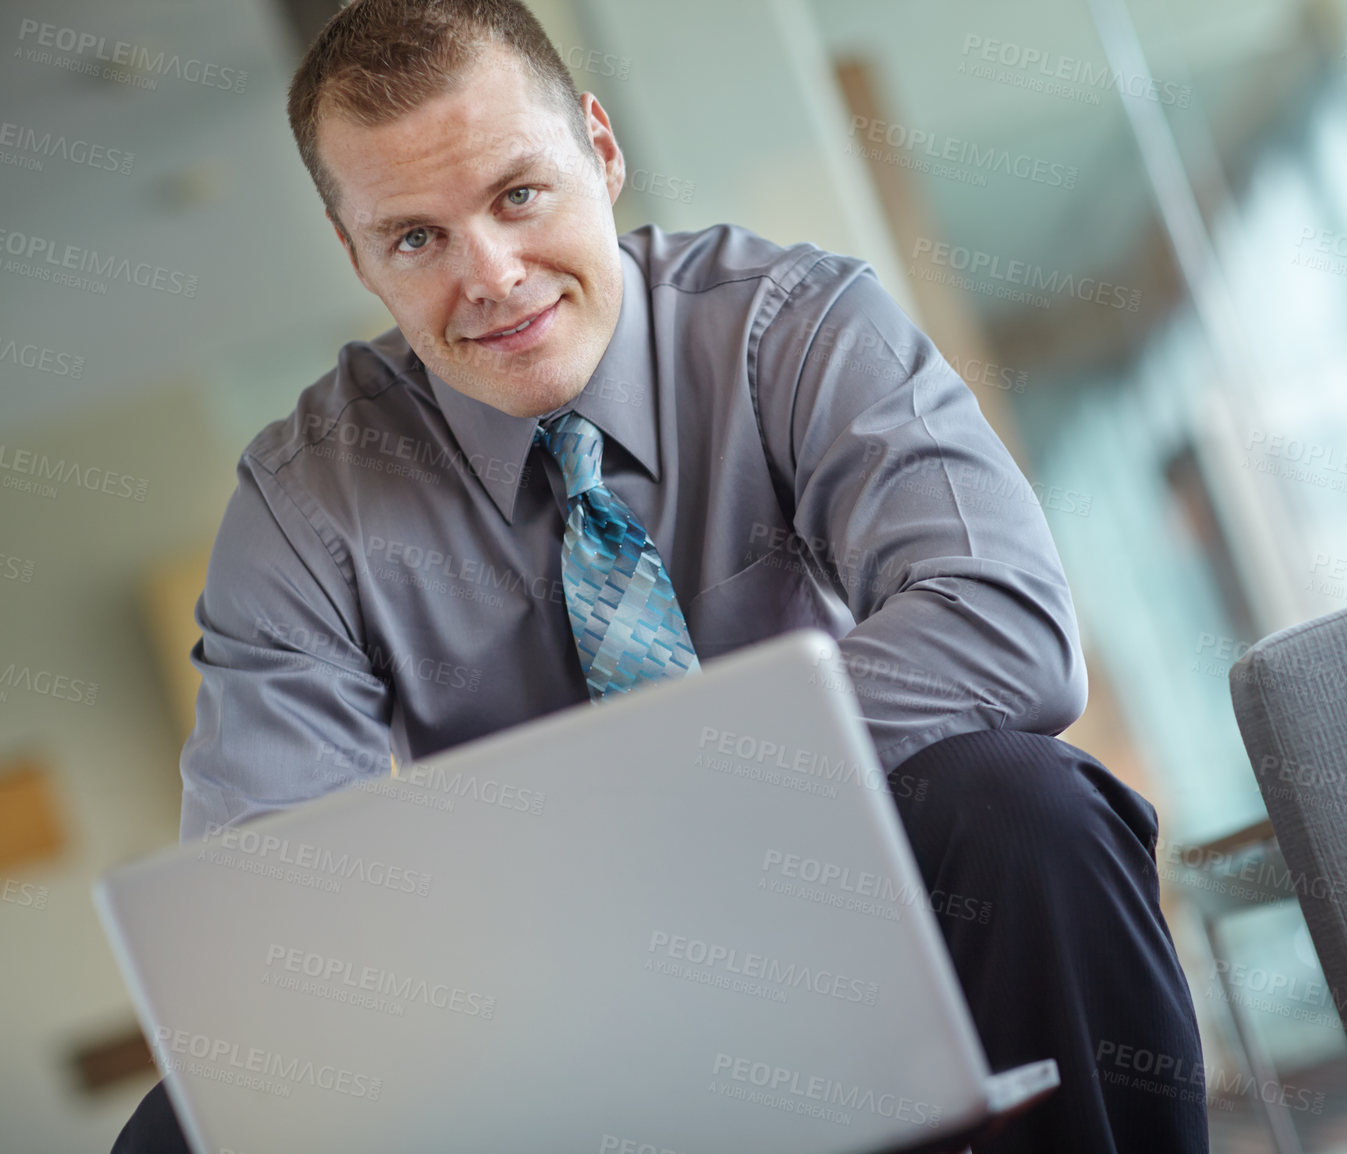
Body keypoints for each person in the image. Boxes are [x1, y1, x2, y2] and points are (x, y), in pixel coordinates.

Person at [113, 1, 1205, 1150]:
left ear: (601, 148)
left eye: (517, 194)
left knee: (1021, 800)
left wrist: (665, 819)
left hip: (855, 896)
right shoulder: (303, 507)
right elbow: (275, 912)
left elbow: (1004, 628)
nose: (489, 275)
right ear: (356, 252)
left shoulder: (794, 327)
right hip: (556, 1022)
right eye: (415, 238)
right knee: (187, 1125)